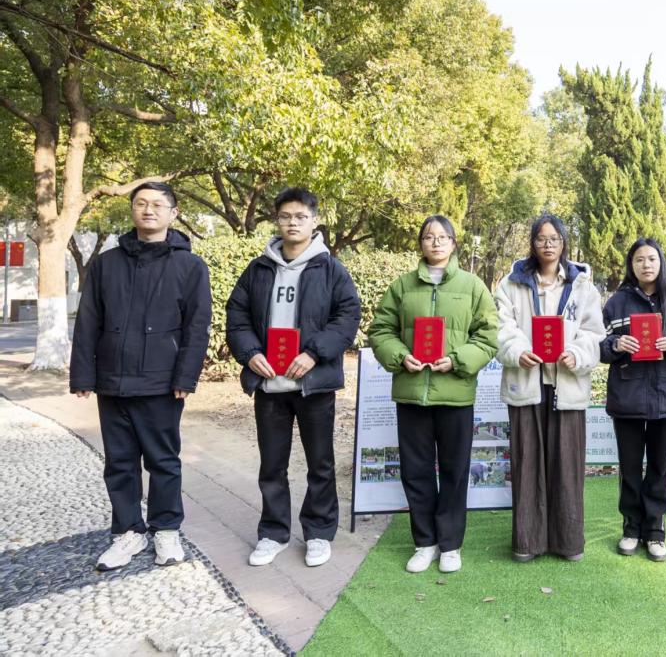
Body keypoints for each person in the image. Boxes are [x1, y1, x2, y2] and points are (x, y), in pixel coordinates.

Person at [69, 182, 212, 571]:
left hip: (161, 383)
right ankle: (128, 531)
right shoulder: (107, 264)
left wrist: (186, 377)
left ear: (173, 213)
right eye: (141, 203)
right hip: (112, 381)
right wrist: (83, 375)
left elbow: (197, 326)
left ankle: (166, 529)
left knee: (163, 460)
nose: (148, 210)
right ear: (132, 209)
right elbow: (88, 321)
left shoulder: (190, 266)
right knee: (119, 461)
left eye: (158, 205)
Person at [226, 187, 361, 568]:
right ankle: (273, 533)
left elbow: (347, 316)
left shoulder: (331, 269)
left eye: (300, 216)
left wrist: (314, 353)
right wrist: (250, 354)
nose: (292, 223)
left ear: (314, 221)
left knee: (320, 463)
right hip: (270, 384)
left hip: (312, 385)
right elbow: (236, 316)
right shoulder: (258, 269)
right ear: (277, 220)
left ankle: (318, 532)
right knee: (272, 464)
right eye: (285, 216)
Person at [368, 215, 498, 574]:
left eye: (443, 237)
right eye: (428, 236)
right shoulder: (402, 286)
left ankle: (451, 544)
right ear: (421, 244)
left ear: (454, 243)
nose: (436, 242)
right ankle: (424, 542)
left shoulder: (473, 287)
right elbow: (380, 330)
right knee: (416, 471)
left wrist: (457, 360)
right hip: (412, 395)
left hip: (455, 395)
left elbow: (488, 336)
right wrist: (400, 356)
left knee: (455, 471)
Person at [494, 214, 604, 562]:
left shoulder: (582, 286)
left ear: (563, 242)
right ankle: (528, 542)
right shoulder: (512, 284)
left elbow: (593, 332)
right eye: (541, 238)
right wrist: (517, 350)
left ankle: (567, 542)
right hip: (527, 383)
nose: (548, 244)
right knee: (527, 463)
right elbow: (502, 327)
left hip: (566, 384)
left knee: (567, 466)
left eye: (554, 238)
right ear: (532, 242)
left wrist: (577, 353)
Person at [600, 238, 666, 562]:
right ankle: (631, 528)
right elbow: (598, 346)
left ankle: (655, 532)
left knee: (659, 468)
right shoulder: (617, 304)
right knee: (630, 469)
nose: (646, 265)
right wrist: (616, 345)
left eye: (652, 259)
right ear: (631, 265)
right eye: (639, 259)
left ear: (661, 263)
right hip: (627, 397)